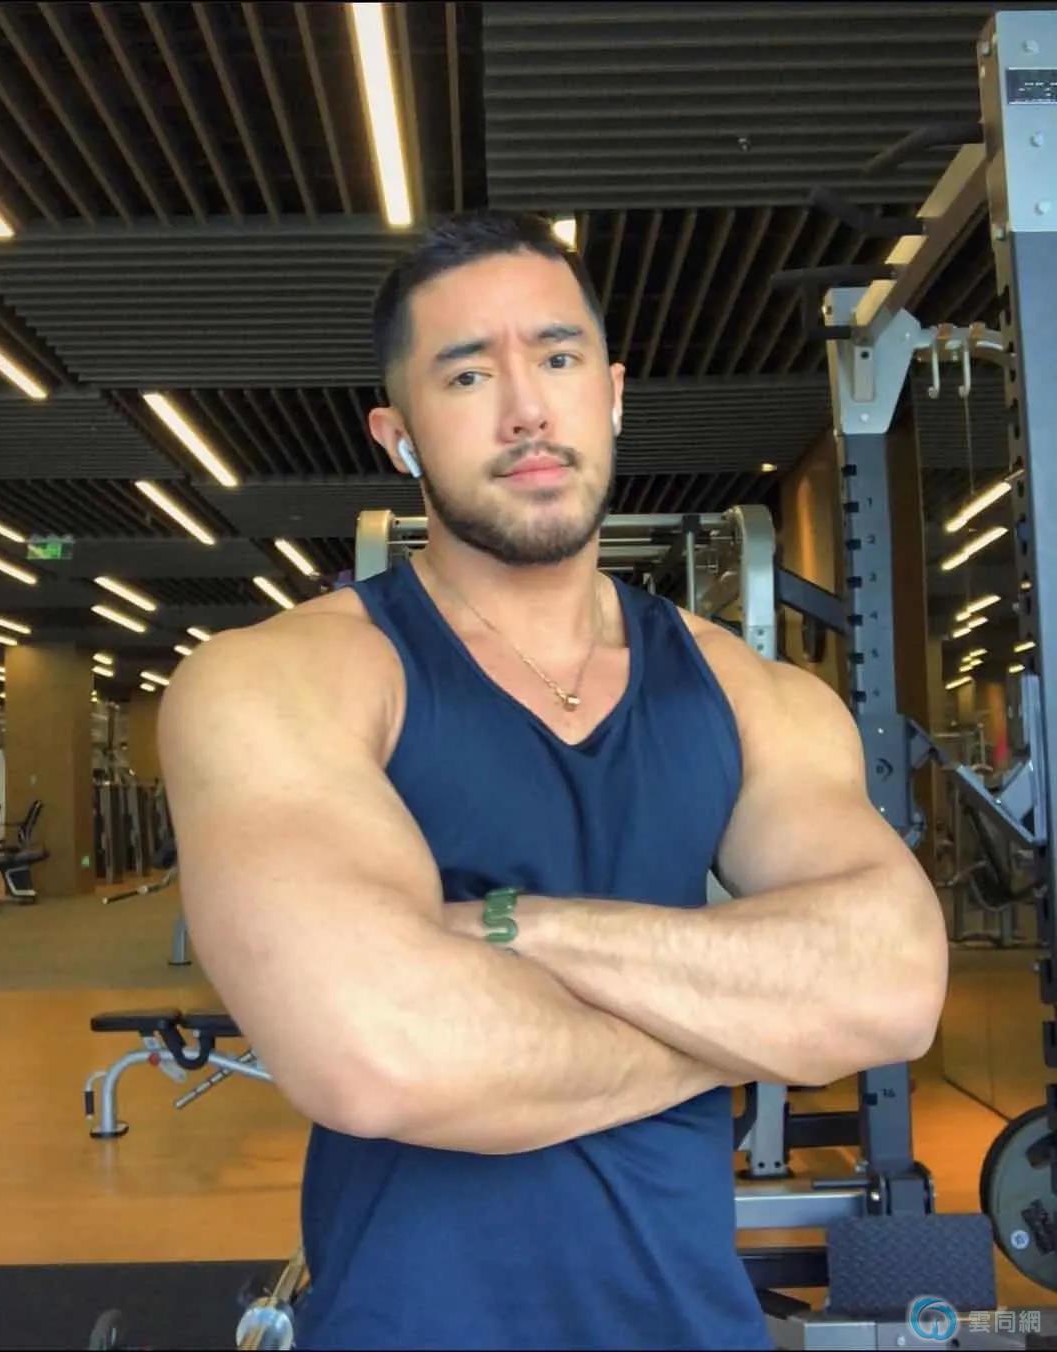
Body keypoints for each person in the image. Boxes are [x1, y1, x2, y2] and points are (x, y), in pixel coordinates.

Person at [158, 211, 949, 1350]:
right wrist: (764, 1022)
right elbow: (381, 1054)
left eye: (559, 357)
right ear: (399, 436)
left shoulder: (743, 692)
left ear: (613, 394)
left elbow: (894, 984)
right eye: (468, 373)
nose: (527, 408)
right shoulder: (278, 680)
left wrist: (514, 925)